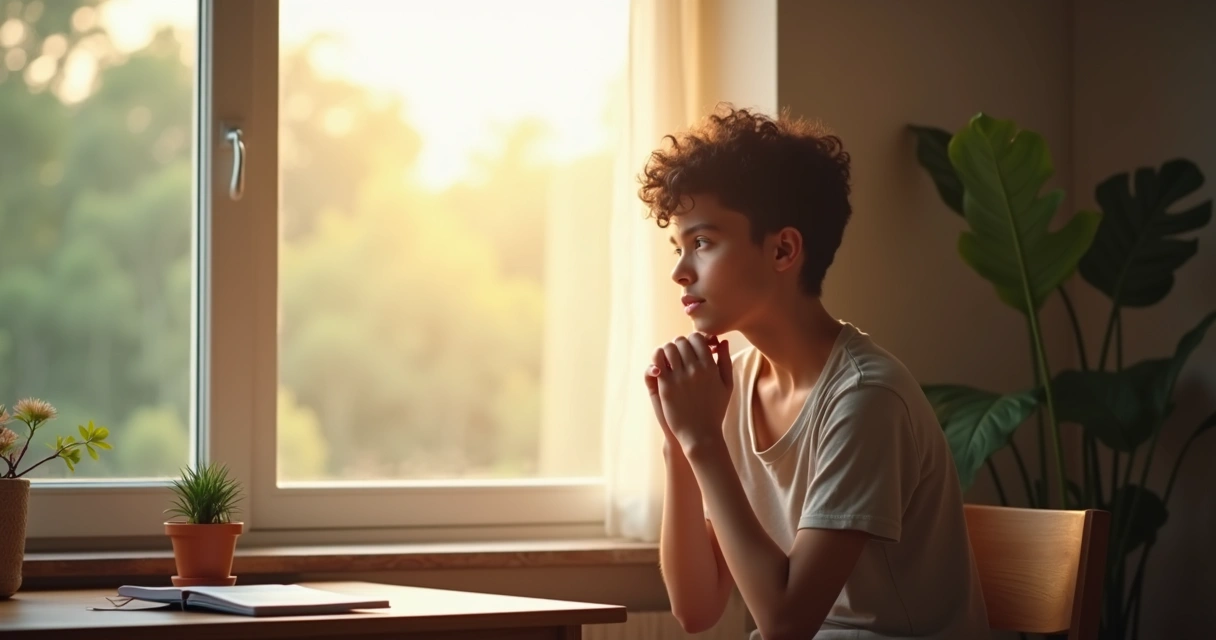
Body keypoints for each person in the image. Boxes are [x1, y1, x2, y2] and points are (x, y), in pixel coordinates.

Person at [639, 106, 990, 639]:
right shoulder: (729, 389)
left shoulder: (865, 398)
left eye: (703, 242)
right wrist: (678, 441)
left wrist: (704, 440)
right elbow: (696, 609)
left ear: (783, 249)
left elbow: (785, 624)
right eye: (679, 246)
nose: (679, 270)